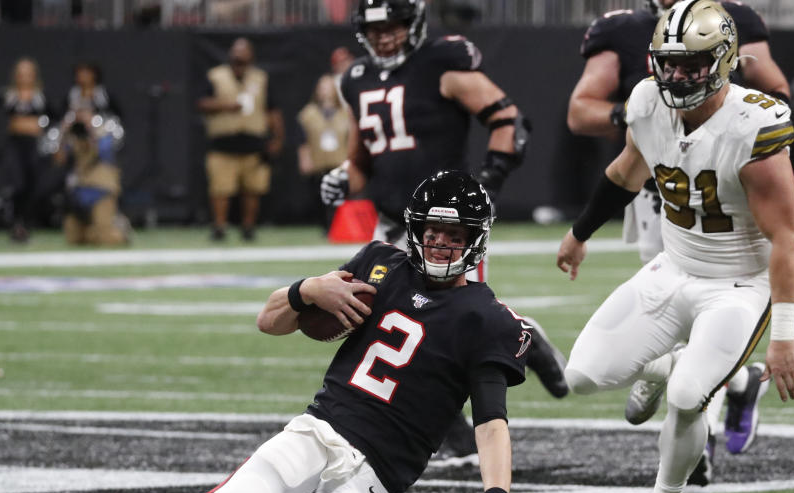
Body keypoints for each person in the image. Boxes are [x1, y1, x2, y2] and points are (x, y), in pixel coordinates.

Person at [13, 170, 534, 493]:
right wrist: (306, 289)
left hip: (378, 479)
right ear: (414, 231)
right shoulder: (380, 263)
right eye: (431, 231)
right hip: (323, 430)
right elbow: (270, 320)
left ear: (476, 239)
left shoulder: (486, 318)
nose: (441, 244)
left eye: (454, 234)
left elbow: (490, 421)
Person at [557, 0, 794, 493]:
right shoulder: (646, 100)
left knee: (690, 397)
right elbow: (626, 172)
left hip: (738, 286)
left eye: (691, 66)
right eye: (669, 64)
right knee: (580, 377)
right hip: (672, 267)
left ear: (723, 61)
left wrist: (785, 337)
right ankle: (667, 362)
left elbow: (787, 238)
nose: (677, 76)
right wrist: (580, 233)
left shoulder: (755, 123)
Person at [320, 0, 568, 444]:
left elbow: (509, 120)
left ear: (413, 24)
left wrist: (488, 182)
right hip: (393, 221)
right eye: (374, 28)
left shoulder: (441, 63)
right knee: (386, 320)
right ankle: (447, 430)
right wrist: (343, 176)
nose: (384, 36)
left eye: (393, 25)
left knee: (453, 323)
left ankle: (521, 333)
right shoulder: (356, 79)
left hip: (447, 225)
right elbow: (364, 158)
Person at [197, 37, 284, 242]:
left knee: (252, 189)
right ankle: (219, 226)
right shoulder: (216, 76)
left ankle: (248, 227)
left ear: (252, 55)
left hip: (253, 142)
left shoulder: (260, 78)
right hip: (223, 142)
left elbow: (272, 110)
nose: (240, 55)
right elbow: (201, 103)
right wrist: (226, 105)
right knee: (220, 189)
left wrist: (278, 138)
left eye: (244, 51)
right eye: (237, 50)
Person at [55, 107, 132, 245]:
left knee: (106, 238)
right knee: (74, 238)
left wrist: (92, 132)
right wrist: (63, 133)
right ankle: (93, 231)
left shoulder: (104, 132)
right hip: (79, 189)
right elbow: (59, 160)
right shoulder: (72, 137)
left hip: (100, 188)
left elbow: (105, 153)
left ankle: (119, 229)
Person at [0, 57, 56, 243]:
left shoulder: (40, 96)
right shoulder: (9, 95)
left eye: (28, 73)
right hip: (15, 144)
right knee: (17, 183)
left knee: (32, 184)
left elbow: (53, 117)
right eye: (21, 73)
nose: (25, 77)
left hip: (33, 145)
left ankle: (26, 223)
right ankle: (15, 223)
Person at [296, 73, 350, 229]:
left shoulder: (345, 113)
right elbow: (302, 139)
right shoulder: (308, 113)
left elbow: (351, 138)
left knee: (338, 196)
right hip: (318, 162)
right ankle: (324, 226)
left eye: (328, 87)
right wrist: (304, 159)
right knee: (319, 196)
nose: (325, 91)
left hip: (339, 162)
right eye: (322, 87)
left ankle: (337, 227)